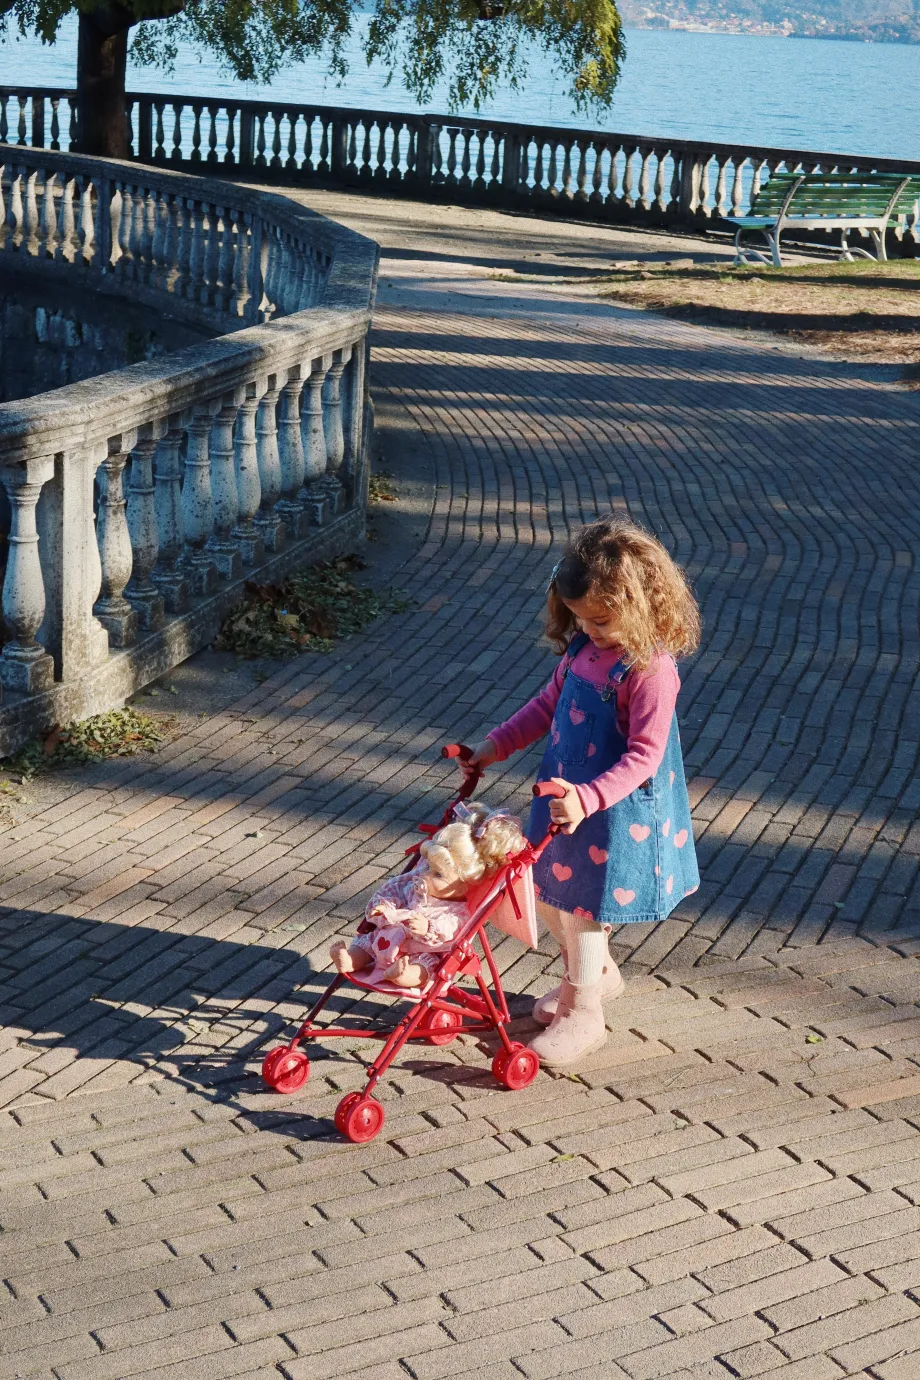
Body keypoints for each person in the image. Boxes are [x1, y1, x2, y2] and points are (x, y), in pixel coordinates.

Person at [460, 517, 701, 1068]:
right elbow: (547, 707)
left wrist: (589, 799)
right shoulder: (580, 652)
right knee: (546, 891)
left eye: (600, 619)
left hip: (611, 810)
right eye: (580, 618)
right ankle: (591, 973)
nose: (589, 629)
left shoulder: (650, 670)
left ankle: (584, 1011)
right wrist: (495, 745)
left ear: (639, 604)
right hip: (562, 800)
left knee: (585, 907)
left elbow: (646, 755)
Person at [330, 802, 525, 988]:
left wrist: (427, 928)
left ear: (464, 885)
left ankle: (401, 975)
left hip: (420, 950)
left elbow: (449, 932)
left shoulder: (456, 911)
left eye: (438, 874)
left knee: (425, 967)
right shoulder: (415, 885)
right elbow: (396, 893)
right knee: (366, 942)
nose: (425, 874)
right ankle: (349, 960)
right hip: (388, 939)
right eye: (428, 867)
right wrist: (385, 906)